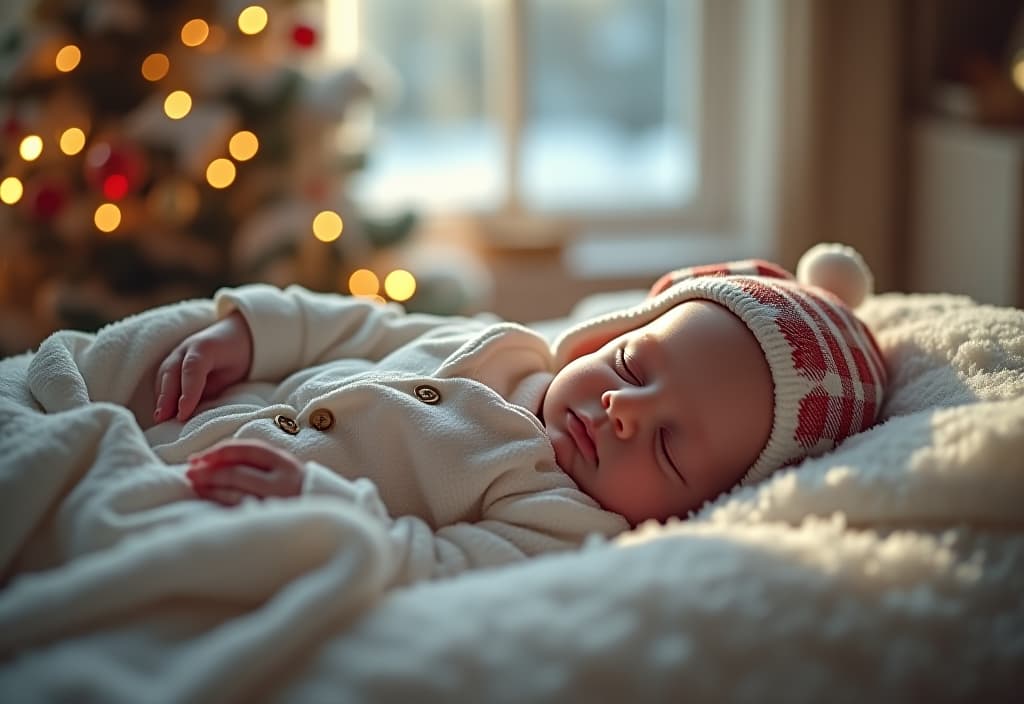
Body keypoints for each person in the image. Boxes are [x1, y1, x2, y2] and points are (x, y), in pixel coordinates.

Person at [149, 242, 887, 577]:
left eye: (667, 446)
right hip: (196, 410)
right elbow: (365, 325)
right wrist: (253, 332)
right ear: (614, 333)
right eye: (630, 364)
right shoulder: (506, 346)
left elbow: (436, 565)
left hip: (232, 511)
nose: (622, 410)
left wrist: (321, 506)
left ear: (704, 505)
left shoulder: (562, 520)